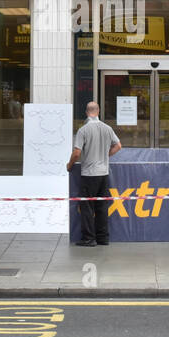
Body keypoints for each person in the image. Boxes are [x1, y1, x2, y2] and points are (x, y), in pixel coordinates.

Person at [66, 101, 122, 246]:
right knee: (102, 206)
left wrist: (69, 165)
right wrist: (105, 155)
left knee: (87, 207)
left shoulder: (83, 130)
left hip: (89, 174)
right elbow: (118, 145)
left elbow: (77, 153)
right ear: (98, 111)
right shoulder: (107, 128)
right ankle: (103, 238)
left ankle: (89, 238)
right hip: (103, 173)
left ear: (86, 112)